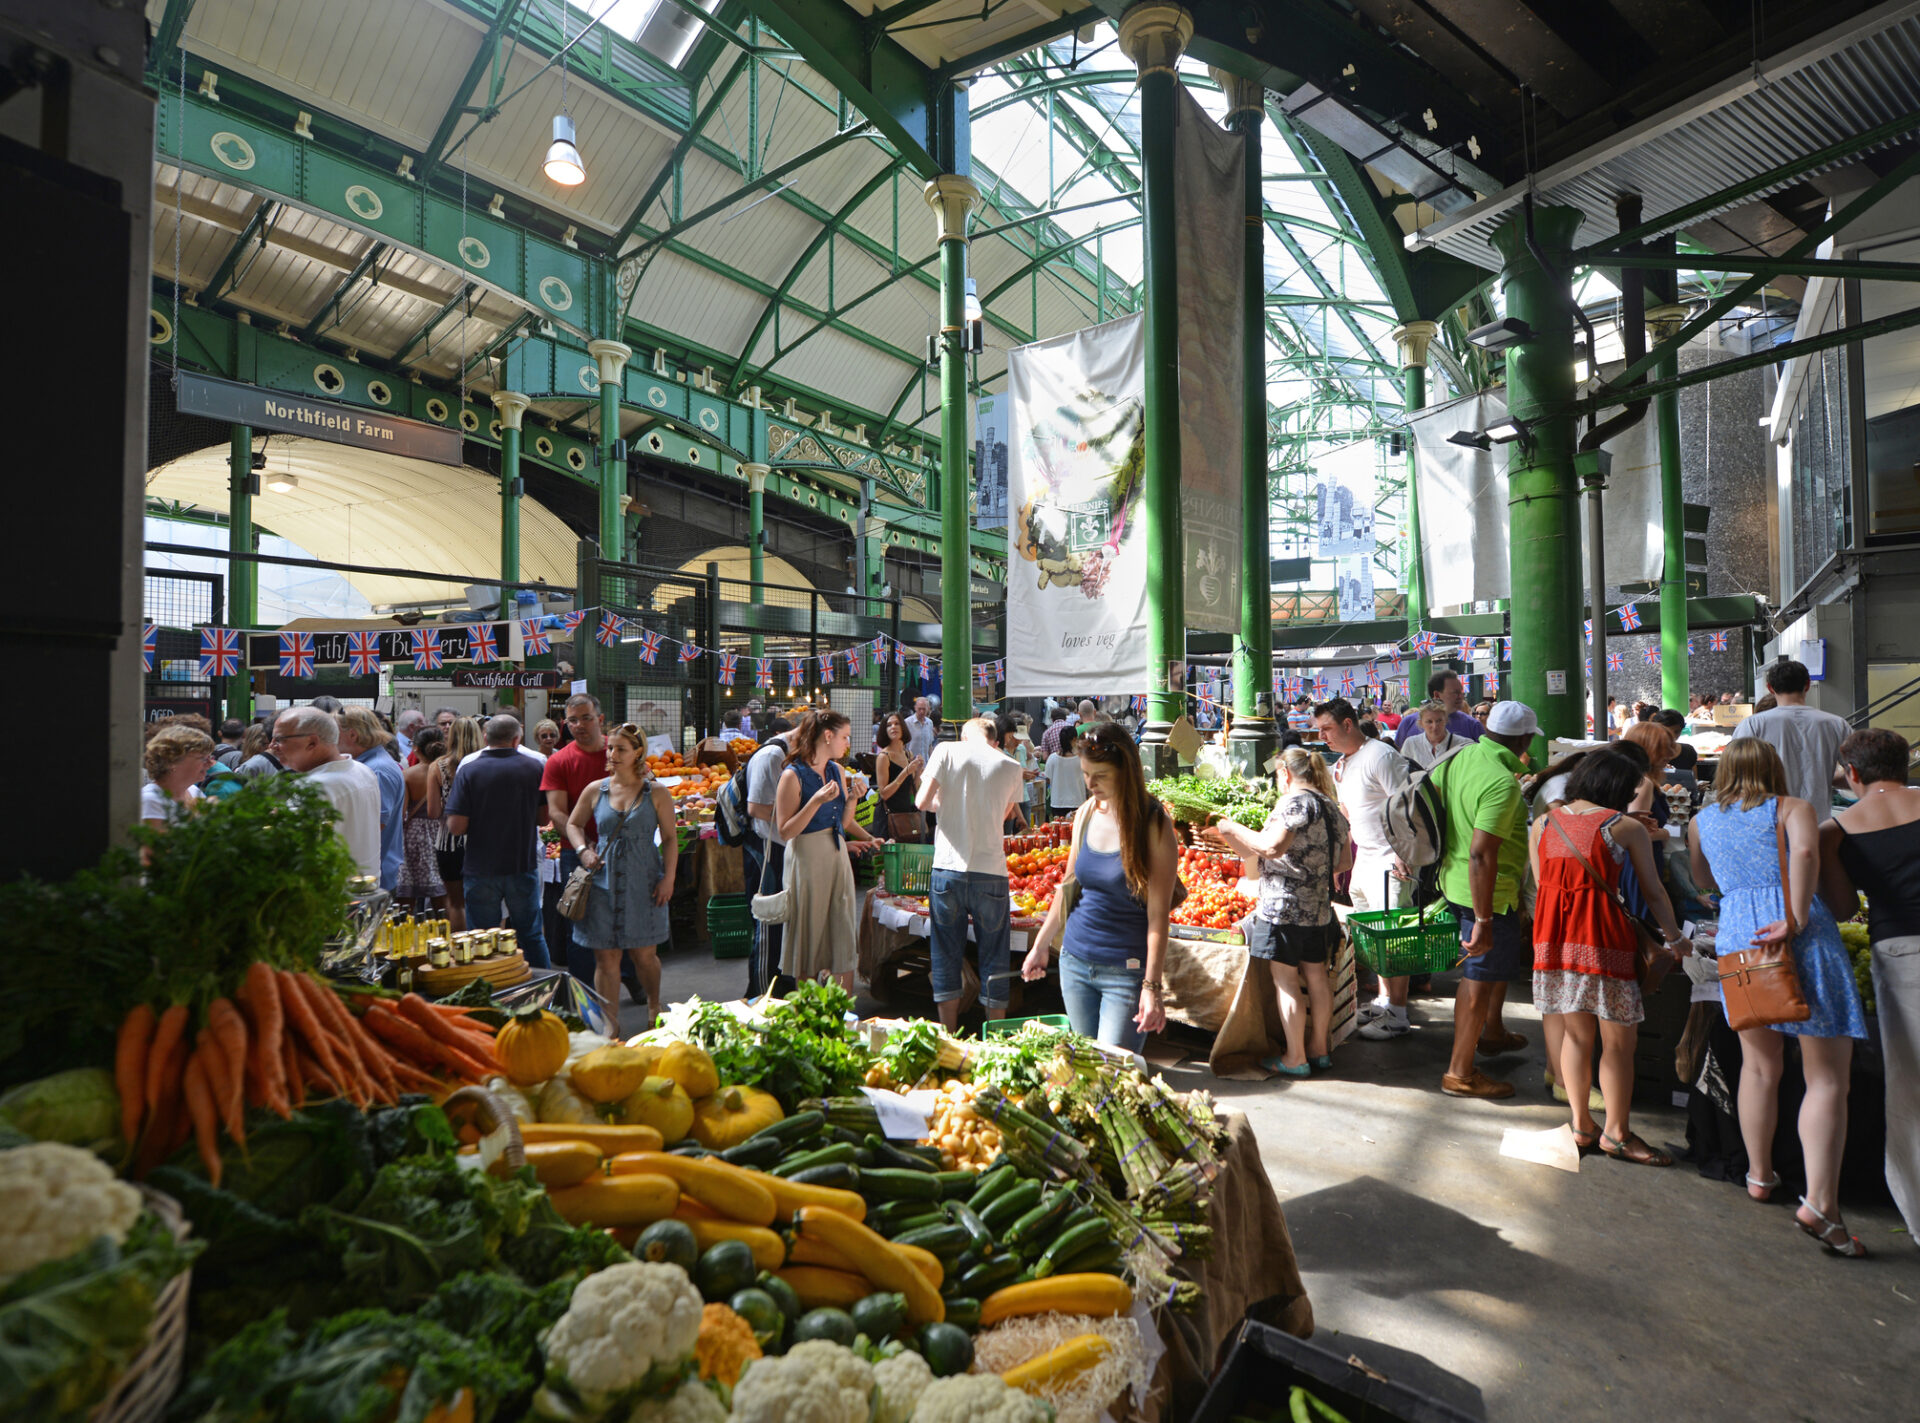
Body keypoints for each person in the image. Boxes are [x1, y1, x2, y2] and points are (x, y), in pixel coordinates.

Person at [1690, 737, 1868, 1255]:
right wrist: (1796, 915)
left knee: (1759, 1067)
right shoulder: (1792, 807)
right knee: (1827, 1076)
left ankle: (1759, 1175)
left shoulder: (1704, 821)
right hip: (1797, 937)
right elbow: (1808, 852)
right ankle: (1818, 1201)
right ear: (1774, 769)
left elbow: (1703, 879)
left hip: (1738, 937)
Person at [1531, 750, 1690, 1163]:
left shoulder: (1543, 824)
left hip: (1554, 942)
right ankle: (1617, 1134)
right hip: (1602, 942)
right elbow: (1653, 892)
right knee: (1619, 1043)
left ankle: (1582, 1125)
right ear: (1618, 789)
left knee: (1576, 1037)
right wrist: (1675, 938)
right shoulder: (1623, 827)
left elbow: (1542, 883)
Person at [1821, 728, 1920, 1243]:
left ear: (1852, 774)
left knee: (1910, 1089)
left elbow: (1841, 909)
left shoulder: (1836, 830)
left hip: (1901, 954)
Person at [1021, 724, 1176, 1050]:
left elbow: (1158, 916)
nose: (1090, 784)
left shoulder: (1154, 824)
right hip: (1074, 962)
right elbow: (1068, 886)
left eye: (1100, 776)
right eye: (1086, 774)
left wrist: (1152, 986)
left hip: (1125, 973)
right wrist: (1041, 945)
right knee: (1084, 1074)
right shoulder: (1087, 812)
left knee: (1113, 1075)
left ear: (1126, 771)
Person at [1204, 747, 1352, 1074]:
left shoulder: (1296, 802)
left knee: (1285, 979)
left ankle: (1295, 1058)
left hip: (1284, 909)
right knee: (1316, 977)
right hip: (1318, 909)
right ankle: (1319, 1050)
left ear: (1285, 773)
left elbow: (1271, 847)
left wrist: (1231, 828)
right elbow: (1344, 862)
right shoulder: (1331, 807)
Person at [1431, 700, 1540, 1099]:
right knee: (1476, 979)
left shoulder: (1457, 758)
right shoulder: (1501, 781)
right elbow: (1482, 853)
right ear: (1524, 739)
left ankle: (1491, 1034)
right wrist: (1484, 919)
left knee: (1489, 972)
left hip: (1455, 881)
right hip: (1485, 895)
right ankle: (1459, 1073)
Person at [1314, 697, 1415, 1040]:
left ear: (1347, 724)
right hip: (1365, 859)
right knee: (1372, 936)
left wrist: (1404, 852)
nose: (1322, 736)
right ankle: (1385, 1001)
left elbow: (1407, 806)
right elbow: (1347, 813)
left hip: (1390, 858)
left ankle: (1398, 1013)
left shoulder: (1381, 756)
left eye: (1326, 728)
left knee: (1393, 938)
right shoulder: (1342, 764)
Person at [565, 723, 676, 1030]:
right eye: (610, 748)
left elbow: (669, 838)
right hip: (603, 882)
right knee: (606, 958)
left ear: (638, 752)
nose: (612, 755)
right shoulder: (595, 790)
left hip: (645, 881)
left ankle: (654, 1005)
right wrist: (582, 851)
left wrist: (668, 878)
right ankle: (609, 1025)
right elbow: (573, 825)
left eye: (621, 749)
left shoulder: (656, 792)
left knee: (644, 955)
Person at [918, 717, 1026, 1029]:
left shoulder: (947, 750)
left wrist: (949, 804)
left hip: (948, 868)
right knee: (994, 954)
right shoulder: (1009, 765)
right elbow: (1005, 814)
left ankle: (950, 1033)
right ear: (995, 739)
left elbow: (922, 801)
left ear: (966, 735)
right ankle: (993, 1037)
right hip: (991, 871)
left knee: (946, 952)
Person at [773, 711, 880, 993]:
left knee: (842, 929)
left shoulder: (837, 770)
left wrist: (853, 800)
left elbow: (841, 824)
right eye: (844, 736)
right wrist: (815, 801)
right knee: (810, 934)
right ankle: (807, 1011)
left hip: (836, 856)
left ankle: (839, 1012)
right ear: (828, 736)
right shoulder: (792, 775)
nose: (848, 744)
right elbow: (785, 831)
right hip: (806, 859)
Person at [444, 715, 551, 970]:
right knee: (531, 936)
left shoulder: (469, 769)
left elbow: (456, 827)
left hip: (480, 868)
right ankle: (546, 993)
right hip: (521, 864)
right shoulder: (535, 767)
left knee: (482, 938)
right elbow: (543, 818)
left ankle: (490, 994)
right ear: (517, 739)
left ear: (485, 737)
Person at [1732, 659, 1848, 823]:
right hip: (1818, 824)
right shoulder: (1837, 724)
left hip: (1768, 824)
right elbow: (1858, 774)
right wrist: (1823, 777)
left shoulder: (1752, 725)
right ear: (1807, 685)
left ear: (1770, 688)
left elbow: (1735, 775)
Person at [272, 706, 381, 878]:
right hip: (365, 884)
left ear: (312, 742)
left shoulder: (314, 787)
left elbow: (287, 849)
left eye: (279, 739)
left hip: (329, 893)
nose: (272, 747)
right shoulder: (362, 771)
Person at [744, 714, 801, 999]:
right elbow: (755, 808)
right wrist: (796, 820)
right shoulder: (770, 755)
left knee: (785, 917)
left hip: (784, 845)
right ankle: (761, 992)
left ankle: (782, 987)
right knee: (769, 918)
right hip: (765, 847)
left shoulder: (792, 755)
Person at [337, 708, 405, 892]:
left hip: (374, 877)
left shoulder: (378, 770)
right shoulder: (372, 764)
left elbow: (375, 825)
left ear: (353, 735)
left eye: (336, 733)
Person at [433, 717, 484, 930]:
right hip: (481, 838)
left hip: (448, 841)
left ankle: (459, 953)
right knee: (483, 902)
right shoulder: (484, 764)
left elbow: (433, 811)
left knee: (455, 902)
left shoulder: (439, 766)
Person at [395, 726, 448, 913]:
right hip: (445, 833)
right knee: (443, 895)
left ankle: (407, 933)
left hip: (415, 836)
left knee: (407, 895)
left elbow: (402, 815)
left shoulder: (407, 775)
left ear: (416, 748)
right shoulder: (451, 772)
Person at [141, 723, 214, 830]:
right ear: (172, 761)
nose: (210, 763)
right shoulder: (151, 800)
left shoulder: (193, 791)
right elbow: (156, 846)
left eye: (210, 757)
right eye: (203, 758)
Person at [1394, 671, 1482, 752]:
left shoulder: (1472, 725)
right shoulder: (1409, 723)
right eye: (1455, 692)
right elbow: (1399, 757)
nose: (1461, 697)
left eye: (1461, 692)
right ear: (1436, 695)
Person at [875, 711, 925, 842]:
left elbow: (911, 789)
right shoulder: (884, 757)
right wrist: (905, 772)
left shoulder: (908, 754)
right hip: (888, 818)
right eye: (889, 725)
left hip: (905, 815)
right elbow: (884, 794)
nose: (893, 727)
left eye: (897, 724)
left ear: (903, 727)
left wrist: (918, 771)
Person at [1401, 700, 1469, 772]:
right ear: (1421, 723)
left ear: (1446, 720)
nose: (1435, 726)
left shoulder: (1463, 744)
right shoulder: (1411, 744)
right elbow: (1403, 773)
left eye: (1439, 721)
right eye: (1429, 722)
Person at [1045, 725, 1087, 820]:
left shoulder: (1052, 758)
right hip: (1078, 801)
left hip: (1057, 802)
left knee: (1059, 830)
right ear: (1074, 739)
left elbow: (1047, 779)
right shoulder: (1081, 758)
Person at [904, 697, 939, 764]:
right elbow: (903, 745)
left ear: (928, 709)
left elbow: (930, 745)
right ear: (915, 708)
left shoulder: (929, 723)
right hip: (911, 764)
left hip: (926, 764)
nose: (922, 712)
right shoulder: (907, 722)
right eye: (919, 709)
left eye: (924, 709)